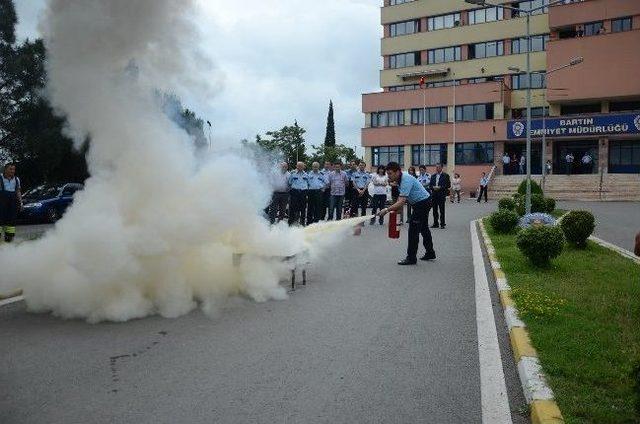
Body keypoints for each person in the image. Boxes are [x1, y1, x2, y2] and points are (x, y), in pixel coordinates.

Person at [377, 161, 435, 265]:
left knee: (413, 229)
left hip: (422, 203)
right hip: (421, 202)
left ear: (397, 172)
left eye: (390, 173)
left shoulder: (405, 179)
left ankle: (411, 258)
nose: (388, 176)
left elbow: (401, 202)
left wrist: (386, 210)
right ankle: (430, 253)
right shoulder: (400, 180)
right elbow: (400, 199)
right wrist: (396, 214)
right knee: (424, 228)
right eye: (387, 173)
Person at [0, 163, 22, 243]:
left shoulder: (16, 179)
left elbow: (18, 191)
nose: (13, 171)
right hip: (1, 204)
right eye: (10, 169)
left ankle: (9, 243)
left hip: (13, 204)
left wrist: (20, 202)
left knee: (11, 223)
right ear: (5, 169)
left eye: (14, 169)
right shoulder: (0, 178)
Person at [429, 163, 450, 229]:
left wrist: (440, 187)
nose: (437, 168)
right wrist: (433, 187)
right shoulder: (433, 176)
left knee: (441, 210)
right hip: (434, 194)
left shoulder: (445, 175)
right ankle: (435, 223)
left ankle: (442, 223)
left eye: (438, 167)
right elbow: (430, 185)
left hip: (441, 194)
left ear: (441, 168)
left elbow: (448, 185)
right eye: (436, 167)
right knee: (434, 210)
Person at [288, 162, 309, 226]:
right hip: (295, 193)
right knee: (293, 208)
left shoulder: (306, 174)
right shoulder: (292, 174)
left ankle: (302, 223)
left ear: (303, 167)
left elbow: (308, 183)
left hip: (303, 193)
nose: (299, 167)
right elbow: (289, 182)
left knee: (303, 209)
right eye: (298, 166)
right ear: (296, 166)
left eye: (301, 166)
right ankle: (291, 223)